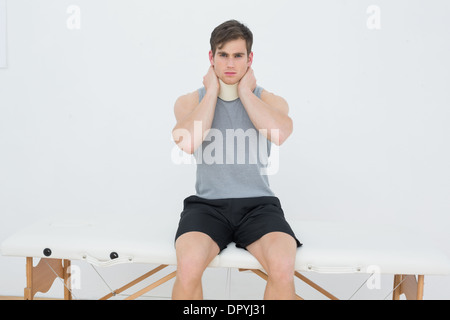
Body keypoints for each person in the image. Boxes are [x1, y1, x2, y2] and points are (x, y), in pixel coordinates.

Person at [171, 20, 301, 300]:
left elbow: (279, 134)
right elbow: (188, 142)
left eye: (238, 55)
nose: (230, 63)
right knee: (189, 265)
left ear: (249, 59)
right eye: (223, 55)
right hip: (207, 206)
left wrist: (244, 93)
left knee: (282, 266)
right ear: (211, 58)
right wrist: (213, 93)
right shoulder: (189, 102)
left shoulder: (271, 101)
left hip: (258, 205)